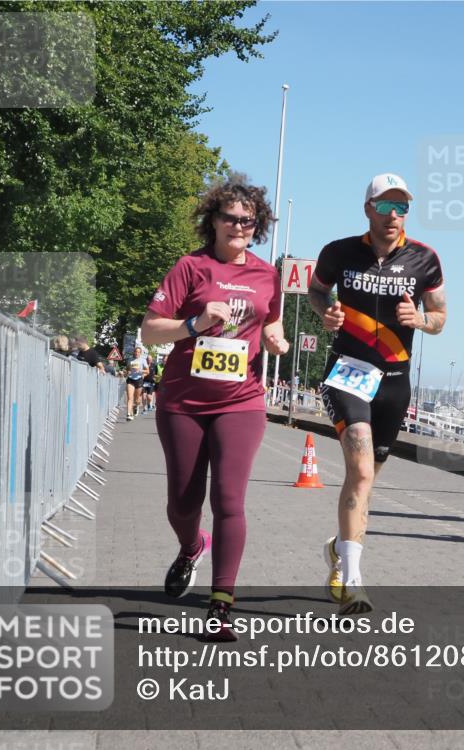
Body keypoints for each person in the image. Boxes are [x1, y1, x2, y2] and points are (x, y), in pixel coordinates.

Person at [140, 176, 288, 639]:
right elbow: (149, 331)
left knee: (228, 498)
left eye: (248, 220)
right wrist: (194, 323)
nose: (240, 226)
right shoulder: (190, 266)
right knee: (183, 502)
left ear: (257, 225)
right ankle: (191, 545)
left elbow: (273, 318)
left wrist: (275, 339)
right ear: (214, 221)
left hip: (241, 402)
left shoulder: (267, 274)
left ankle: (221, 604)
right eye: (231, 218)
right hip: (183, 401)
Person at [309, 173, 446, 614]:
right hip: (348, 372)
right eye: (385, 207)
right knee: (362, 472)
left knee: (365, 484)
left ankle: (339, 550)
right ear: (368, 209)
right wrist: (325, 313)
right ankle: (353, 583)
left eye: (401, 207)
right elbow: (316, 290)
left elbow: (441, 315)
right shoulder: (339, 252)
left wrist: (420, 320)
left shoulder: (425, 259)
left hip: (395, 381)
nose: (393, 216)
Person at [124, 346, 149, 421]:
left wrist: (140, 370)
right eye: (136, 352)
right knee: (130, 398)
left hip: (138, 380)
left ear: (140, 353)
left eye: (138, 352)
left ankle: (136, 406)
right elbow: (127, 370)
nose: (137, 353)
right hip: (130, 380)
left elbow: (147, 371)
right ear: (134, 352)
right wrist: (127, 372)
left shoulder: (143, 360)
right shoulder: (130, 360)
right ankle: (129, 414)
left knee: (137, 399)